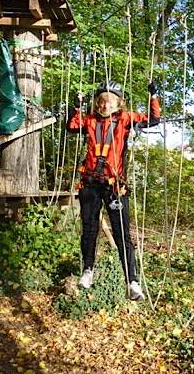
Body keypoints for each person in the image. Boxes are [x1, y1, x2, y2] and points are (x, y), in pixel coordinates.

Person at [66, 80, 161, 301]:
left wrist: (153, 96)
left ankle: (132, 281)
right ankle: (88, 270)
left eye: (110, 101)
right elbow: (71, 127)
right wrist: (76, 106)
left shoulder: (126, 119)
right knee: (89, 230)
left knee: (121, 234)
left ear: (118, 104)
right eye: (101, 101)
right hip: (90, 184)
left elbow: (153, 120)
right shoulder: (89, 121)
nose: (105, 105)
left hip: (114, 185)